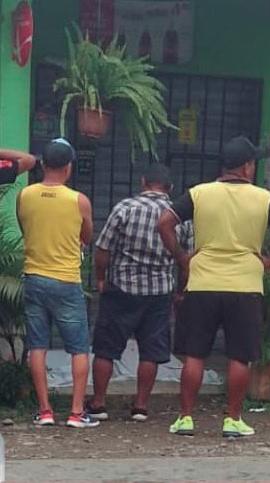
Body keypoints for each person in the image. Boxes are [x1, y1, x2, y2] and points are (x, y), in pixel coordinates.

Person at [158, 136, 270, 437]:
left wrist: (182, 258)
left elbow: (164, 223)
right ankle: (233, 420)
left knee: (195, 354)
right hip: (245, 285)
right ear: (247, 166)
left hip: (203, 283)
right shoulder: (263, 198)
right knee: (239, 356)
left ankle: (186, 418)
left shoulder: (199, 193)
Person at [86, 164, 185, 422]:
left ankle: (99, 402)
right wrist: (180, 290)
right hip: (159, 292)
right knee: (150, 351)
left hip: (122, 288)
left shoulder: (124, 209)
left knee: (106, 348)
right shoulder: (179, 215)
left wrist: (100, 278)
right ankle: (141, 405)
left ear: (143, 182)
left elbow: (103, 249)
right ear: (170, 188)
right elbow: (186, 259)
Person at [17, 138, 98, 429]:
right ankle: (76, 413)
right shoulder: (79, 201)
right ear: (68, 167)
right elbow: (87, 236)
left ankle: (45, 411)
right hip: (66, 281)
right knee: (78, 348)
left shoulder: (25, 195)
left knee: (37, 345)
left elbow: (25, 228)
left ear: (43, 164)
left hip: (34, 278)